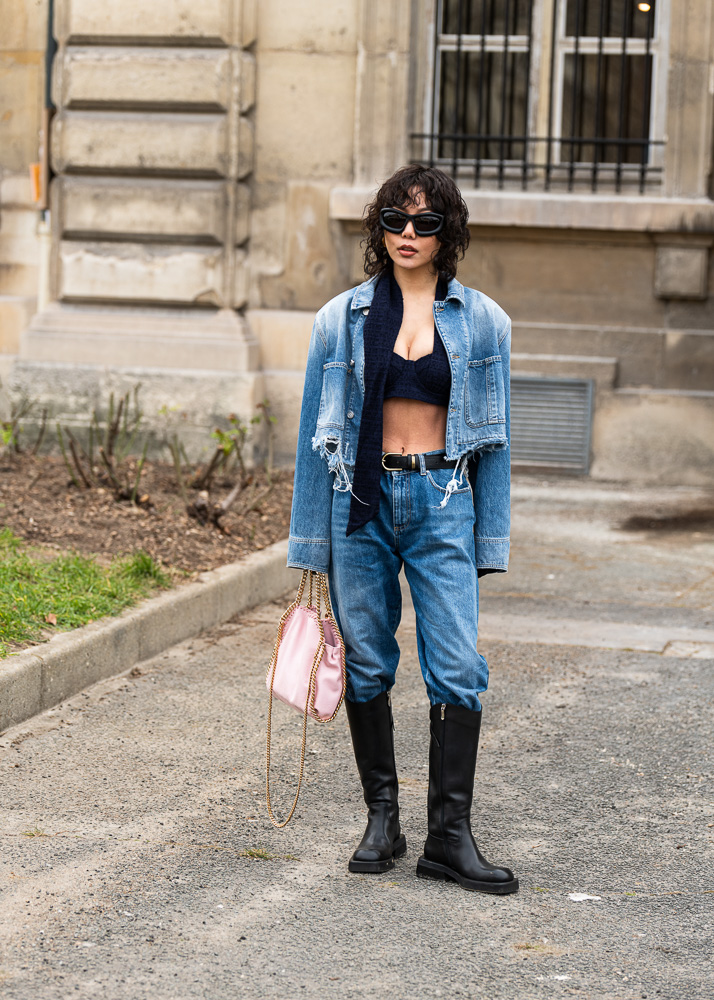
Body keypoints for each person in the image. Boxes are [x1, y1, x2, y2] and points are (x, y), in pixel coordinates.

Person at [287, 163, 517, 895]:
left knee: (456, 666)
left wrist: (490, 541)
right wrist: (309, 546)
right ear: (377, 229)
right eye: (395, 220)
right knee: (366, 662)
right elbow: (307, 443)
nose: (408, 235)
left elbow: (497, 443)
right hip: (358, 501)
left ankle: (450, 837)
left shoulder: (482, 321)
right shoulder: (340, 319)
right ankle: (382, 821)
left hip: (443, 494)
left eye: (425, 223)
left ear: (448, 232)